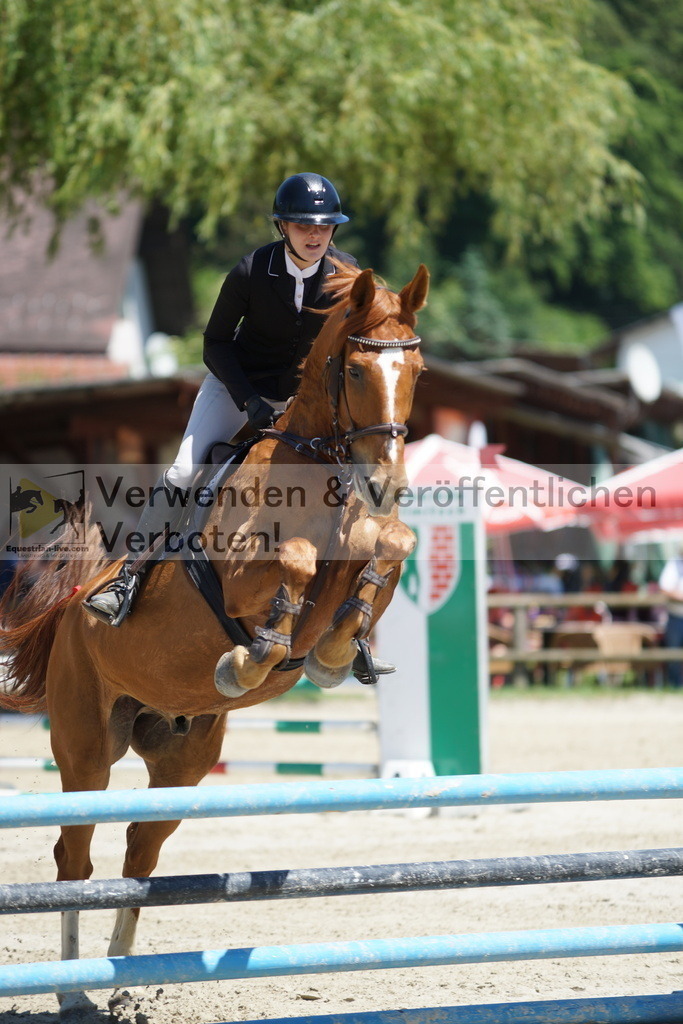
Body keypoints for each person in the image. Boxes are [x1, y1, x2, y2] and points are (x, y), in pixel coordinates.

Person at [86, 172, 358, 627]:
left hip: (302, 398)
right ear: (282, 228)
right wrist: (248, 398)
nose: (315, 234)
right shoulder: (251, 271)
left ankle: (354, 617)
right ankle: (127, 578)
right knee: (185, 470)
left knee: (349, 478)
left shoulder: (344, 274)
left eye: (324, 226)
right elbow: (214, 343)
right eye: (303, 225)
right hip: (237, 384)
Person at [657, 555, 683, 688]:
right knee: (673, 654)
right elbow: (665, 588)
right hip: (676, 616)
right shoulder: (675, 564)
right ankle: (675, 685)